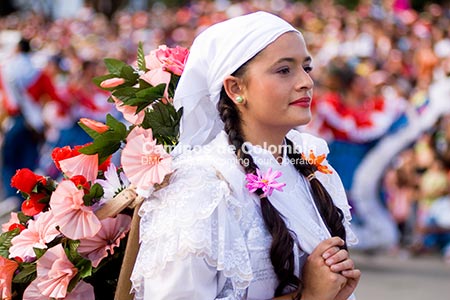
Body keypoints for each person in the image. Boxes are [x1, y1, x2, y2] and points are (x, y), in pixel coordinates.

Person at [130, 11, 360, 300]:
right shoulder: (202, 187)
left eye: (307, 67)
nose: (305, 82)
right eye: (284, 70)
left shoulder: (310, 168)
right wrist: (308, 296)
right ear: (236, 88)